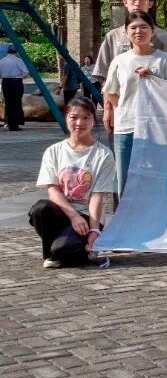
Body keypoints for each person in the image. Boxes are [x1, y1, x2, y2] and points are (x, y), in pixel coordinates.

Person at [29, 96, 114, 269]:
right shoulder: (53, 151)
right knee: (40, 209)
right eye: (74, 117)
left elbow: (97, 196)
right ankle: (52, 254)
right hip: (63, 212)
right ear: (66, 118)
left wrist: (94, 230)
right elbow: (53, 190)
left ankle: (83, 248)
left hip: (88, 217)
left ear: (93, 120)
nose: (79, 123)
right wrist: (73, 216)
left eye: (86, 117)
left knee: (64, 249)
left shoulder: (103, 155)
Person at [103, 11, 167, 194]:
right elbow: (111, 92)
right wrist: (125, 108)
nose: (138, 31)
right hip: (126, 128)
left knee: (156, 181)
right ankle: (123, 213)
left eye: (144, 27)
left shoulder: (164, 60)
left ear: (153, 31)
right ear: (126, 32)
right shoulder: (119, 61)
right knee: (125, 181)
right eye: (133, 28)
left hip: (157, 129)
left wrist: (153, 78)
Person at [91, 0, 167, 83]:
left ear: (151, 3)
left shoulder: (163, 37)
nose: (137, 4)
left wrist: (153, 74)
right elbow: (103, 74)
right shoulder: (113, 36)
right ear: (125, 2)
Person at [0, 46, 29, 131]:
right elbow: (25, 72)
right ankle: (14, 125)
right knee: (16, 103)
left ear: (8, 51)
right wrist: (21, 75)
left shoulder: (2, 61)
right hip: (16, 82)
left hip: (5, 82)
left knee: (8, 103)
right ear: (16, 52)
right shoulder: (18, 60)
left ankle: (8, 123)